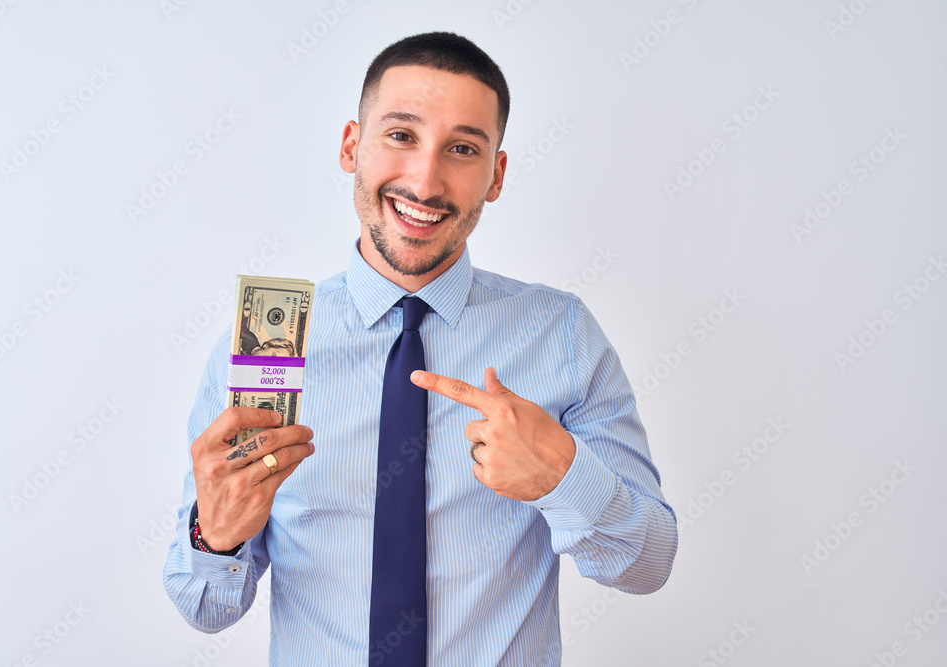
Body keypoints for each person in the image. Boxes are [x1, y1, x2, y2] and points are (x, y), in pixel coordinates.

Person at [164, 31, 678, 666]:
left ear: (496, 174)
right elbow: (206, 608)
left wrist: (564, 475)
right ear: (353, 146)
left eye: (462, 149)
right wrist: (214, 537)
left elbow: (649, 562)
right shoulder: (270, 344)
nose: (426, 180)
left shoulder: (560, 333)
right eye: (401, 136)